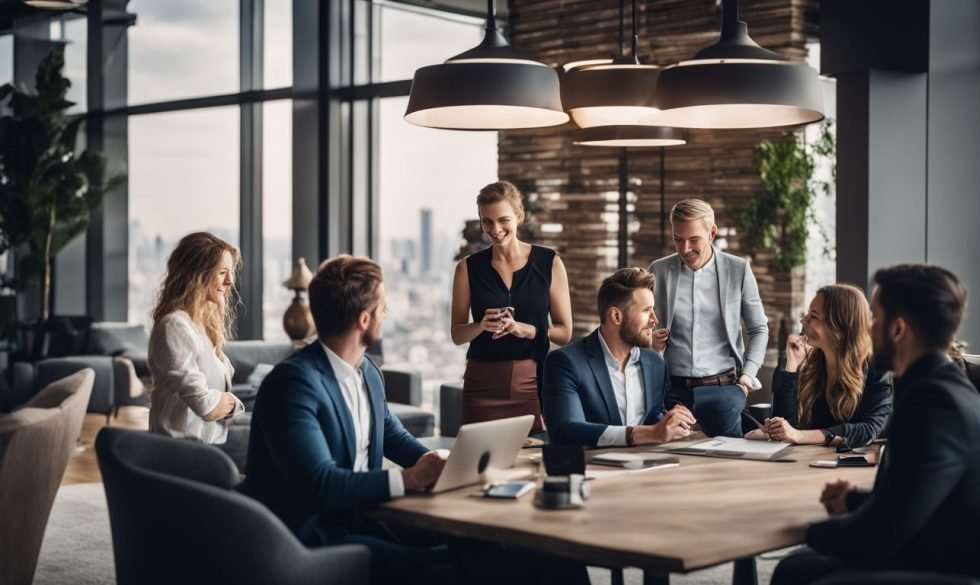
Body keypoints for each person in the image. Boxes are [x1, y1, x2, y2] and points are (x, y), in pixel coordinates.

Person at [243, 255, 589, 585]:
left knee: (533, 550)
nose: (385, 314)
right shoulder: (293, 384)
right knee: (472, 567)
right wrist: (408, 480)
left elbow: (391, 434)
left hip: (365, 516)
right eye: (382, 308)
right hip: (315, 537)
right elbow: (320, 486)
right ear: (365, 320)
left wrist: (441, 463)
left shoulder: (366, 372)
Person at [770, 264, 980, 585]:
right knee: (799, 564)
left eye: (874, 318)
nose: (866, 328)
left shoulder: (933, 404)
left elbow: (880, 537)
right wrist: (853, 499)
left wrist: (804, 530)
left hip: (943, 566)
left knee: (796, 570)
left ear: (897, 329)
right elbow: (913, 496)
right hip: (935, 545)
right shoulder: (940, 386)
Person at [450, 180, 572, 432]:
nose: (495, 229)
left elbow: (564, 333)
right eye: (487, 221)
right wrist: (481, 325)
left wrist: (527, 330)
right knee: (478, 466)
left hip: (531, 383)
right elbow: (457, 334)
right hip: (480, 384)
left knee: (532, 462)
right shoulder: (467, 268)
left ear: (519, 216)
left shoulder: (549, 262)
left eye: (503, 219)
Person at [648, 199, 769, 437]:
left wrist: (746, 379)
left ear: (711, 233)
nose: (684, 249)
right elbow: (642, 325)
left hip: (723, 388)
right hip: (671, 389)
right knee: (669, 457)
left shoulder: (738, 269)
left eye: (693, 239)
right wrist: (650, 341)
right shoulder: (658, 271)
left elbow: (759, 328)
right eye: (677, 239)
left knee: (727, 460)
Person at [543, 267, 696, 447]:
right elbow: (565, 430)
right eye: (646, 311)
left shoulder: (655, 363)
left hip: (651, 463)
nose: (654, 320)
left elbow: (653, 417)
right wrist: (644, 434)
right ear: (616, 316)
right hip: (594, 468)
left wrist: (673, 421)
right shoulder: (565, 362)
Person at [745, 284, 892, 448]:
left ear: (839, 326)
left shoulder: (878, 368)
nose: (803, 321)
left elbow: (869, 429)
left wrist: (801, 435)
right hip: (816, 460)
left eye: (813, 316)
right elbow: (786, 430)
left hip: (865, 465)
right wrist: (791, 365)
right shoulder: (809, 363)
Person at [148, 232, 245, 445]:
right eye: (222, 273)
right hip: (181, 448)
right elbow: (207, 407)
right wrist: (237, 403)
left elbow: (215, 399)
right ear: (197, 275)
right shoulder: (175, 326)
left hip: (208, 443)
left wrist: (227, 402)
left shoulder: (201, 326)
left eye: (231, 273)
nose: (230, 281)